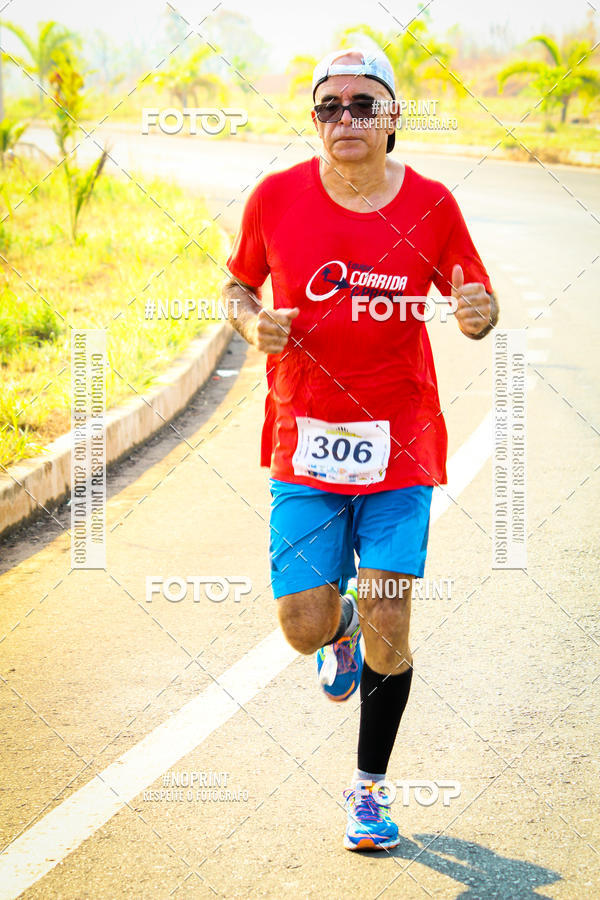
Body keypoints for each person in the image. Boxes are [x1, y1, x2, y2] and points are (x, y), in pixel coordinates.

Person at [221, 46, 499, 851]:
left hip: (399, 441)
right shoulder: (274, 198)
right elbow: (237, 285)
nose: (346, 119)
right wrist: (249, 322)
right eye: (330, 107)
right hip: (302, 438)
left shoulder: (435, 204)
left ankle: (369, 790)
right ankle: (333, 629)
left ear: (392, 117)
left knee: (390, 613)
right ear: (315, 121)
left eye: (363, 104)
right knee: (302, 626)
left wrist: (478, 311)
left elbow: (473, 303)